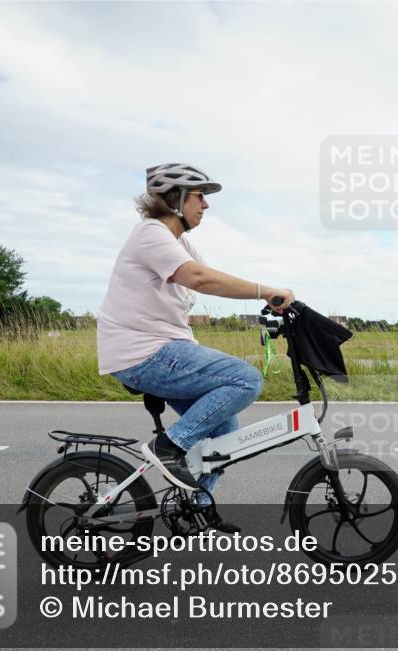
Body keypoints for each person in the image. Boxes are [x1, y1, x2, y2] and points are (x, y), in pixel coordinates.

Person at [96, 163, 294, 530]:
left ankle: (199, 507)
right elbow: (199, 279)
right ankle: (169, 447)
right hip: (143, 352)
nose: (206, 205)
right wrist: (266, 290)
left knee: (226, 437)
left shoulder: (179, 243)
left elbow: (213, 279)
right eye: (200, 196)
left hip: (161, 349)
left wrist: (273, 301)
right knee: (246, 379)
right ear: (176, 199)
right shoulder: (150, 233)